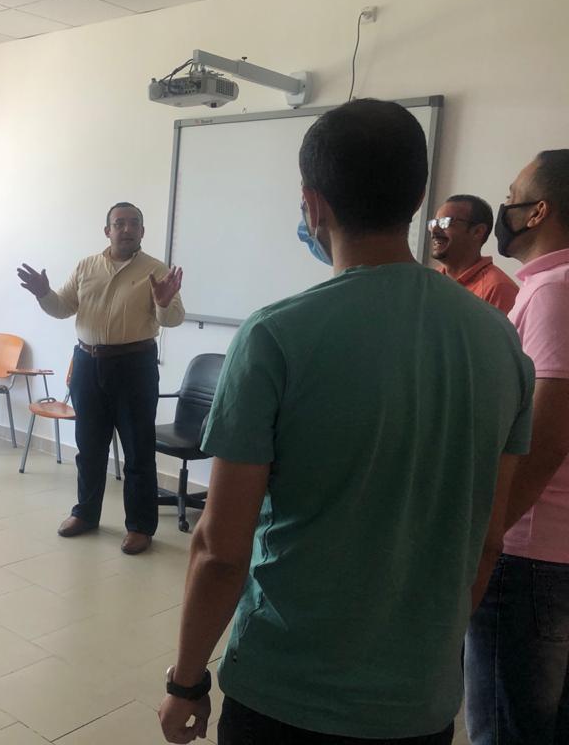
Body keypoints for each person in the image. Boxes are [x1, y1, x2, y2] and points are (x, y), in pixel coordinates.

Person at [158, 99, 535, 745]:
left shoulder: (274, 337)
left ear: (313, 205)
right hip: (419, 704)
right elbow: (488, 541)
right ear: (417, 200)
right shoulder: (502, 343)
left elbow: (221, 550)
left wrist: (186, 681)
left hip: (285, 694)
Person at [465, 149, 569, 745]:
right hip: (549, 547)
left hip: (530, 552)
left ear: (538, 211)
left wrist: (489, 533)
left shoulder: (554, 292)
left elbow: (547, 436)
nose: (505, 206)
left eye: (512, 196)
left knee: (506, 728)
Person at [18, 202, 184, 555]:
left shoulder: (156, 270)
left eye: (134, 223)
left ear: (142, 231)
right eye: (119, 223)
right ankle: (86, 513)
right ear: (107, 231)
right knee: (89, 446)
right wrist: (43, 293)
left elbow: (172, 319)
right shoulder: (86, 266)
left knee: (138, 450)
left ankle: (140, 526)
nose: (126, 229)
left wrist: (163, 302)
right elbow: (63, 308)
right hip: (87, 364)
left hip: (134, 366)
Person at [430, 193, 519, 313]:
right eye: (433, 223)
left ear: (477, 231)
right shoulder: (432, 279)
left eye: (444, 222)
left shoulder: (498, 288)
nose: (434, 230)